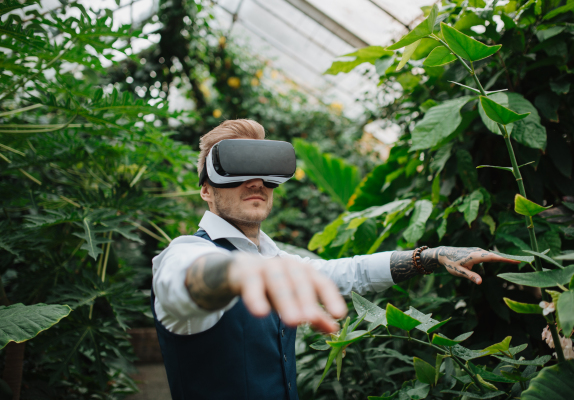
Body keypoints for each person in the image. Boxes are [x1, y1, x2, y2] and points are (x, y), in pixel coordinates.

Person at [151, 119, 518, 400]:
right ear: (205, 189)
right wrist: (234, 272)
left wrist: (430, 257)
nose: (256, 182)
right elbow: (183, 280)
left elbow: (350, 273)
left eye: (265, 170)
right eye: (237, 170)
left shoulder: (275, 258)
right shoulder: (185, 253)